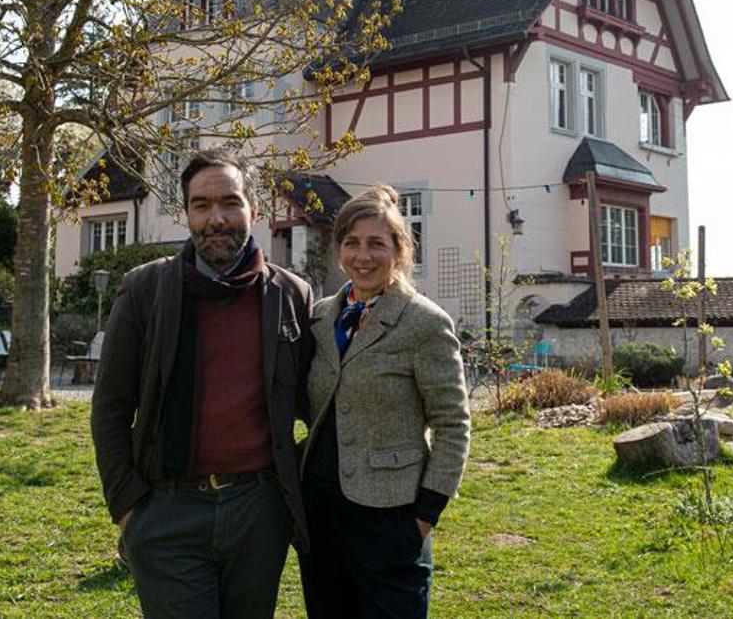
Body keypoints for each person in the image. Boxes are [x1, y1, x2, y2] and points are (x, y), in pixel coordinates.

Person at [90, 148, 314, 619]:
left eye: (230, 203)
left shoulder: (291, 295)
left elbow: (315, 401)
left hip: (258, 512)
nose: (217, 219)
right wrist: (130, 509)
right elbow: (110, 408)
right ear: (186, 213)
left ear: (254, 209)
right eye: (202, 205)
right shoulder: (144, 291)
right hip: (168, 511)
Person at [299, 184, 470, 618]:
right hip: (319, 511)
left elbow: (453, 425)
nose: (363, 256)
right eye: (352, 243)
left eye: (377, 243)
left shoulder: (425, 323)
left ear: (399, 249)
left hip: (392, 516)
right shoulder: (321, 317)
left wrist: (425, 515)